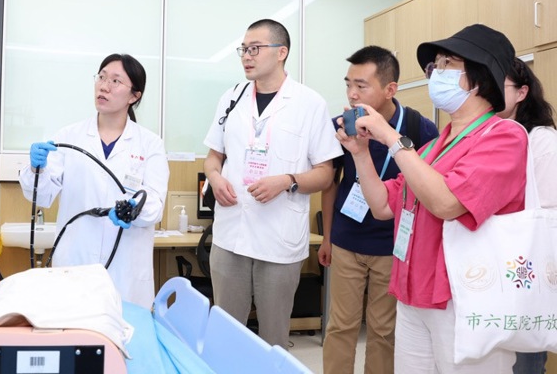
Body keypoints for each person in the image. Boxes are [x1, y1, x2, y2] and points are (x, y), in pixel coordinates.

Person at [335, 24, 527, 372]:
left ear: (480, 77)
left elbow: (447, 203)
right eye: (433, 66)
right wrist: (361, 153)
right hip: (414, 292)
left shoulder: (505, 136)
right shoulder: (431, 148)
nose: (435, 73)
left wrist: (392, 138)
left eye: (447, 63)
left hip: (465, 297)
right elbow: (381, 205)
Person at [203, 19, 343, 348]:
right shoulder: (231, 98)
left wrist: (287, 181)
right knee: (226, 333)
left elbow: (326, 173)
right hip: (230, 235)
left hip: (278, 240)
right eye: (243, 50)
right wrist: (215, 177)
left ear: (281, 53)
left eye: (255, 49)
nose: (246, 56)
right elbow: (212, 158)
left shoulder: (310, 104)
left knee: (274, 337)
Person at [318, 46, 438, 374]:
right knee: (341, 326)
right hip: (345, 241)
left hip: (392, 246)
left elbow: (429, 190)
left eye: (362, 85)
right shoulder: (341, 126)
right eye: (348, 85)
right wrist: (326, 237)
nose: (352, 94)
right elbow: (330, 184)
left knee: (384, 330)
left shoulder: (420, 128)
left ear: (390, 89)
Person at [19, 53, 169, 309]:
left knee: (124, 341)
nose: (104, 86)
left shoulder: (150, 144)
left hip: (125, 270)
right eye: (101, 77)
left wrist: (133, 211)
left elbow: (154, 203)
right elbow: (41, 196)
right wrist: (36, 168)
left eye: (115, 81)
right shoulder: (69, 136)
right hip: (75, 261)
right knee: (74, 337)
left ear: (135, 96)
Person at [498, 57, 557, 374]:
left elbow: (547, 214)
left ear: (522, 93)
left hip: (525, 267)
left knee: (525, 360)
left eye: (499, 84)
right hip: (492, 261)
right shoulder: (490, 135)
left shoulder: (542, 140)